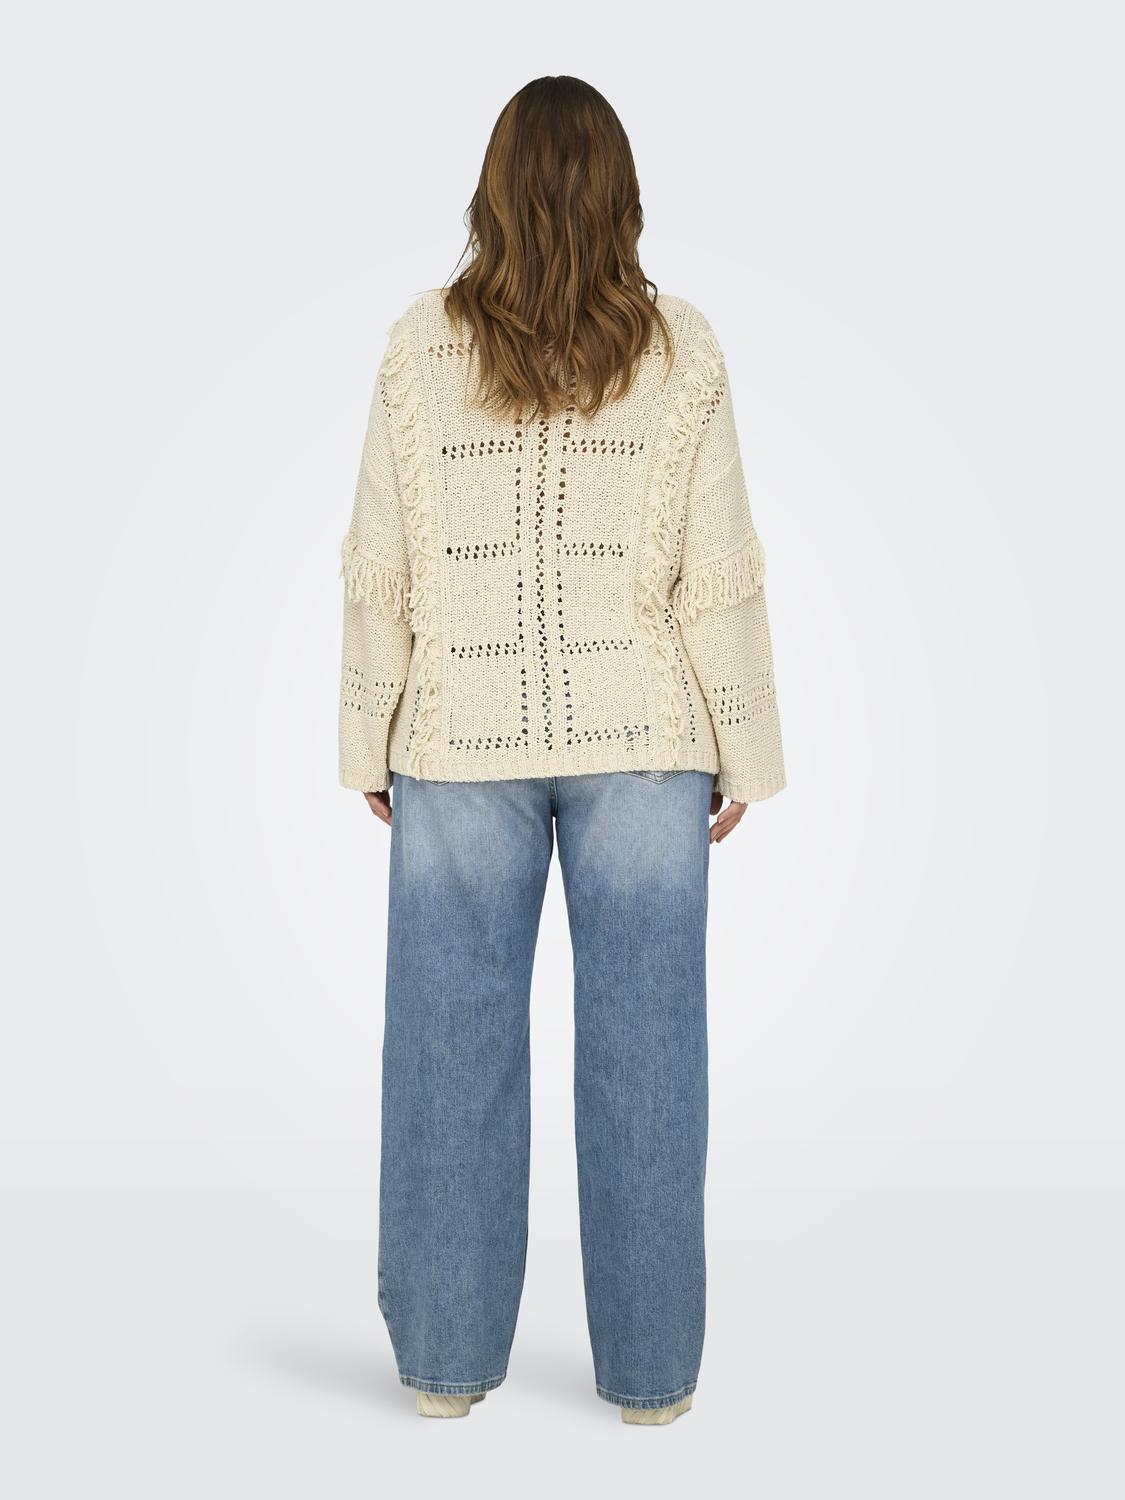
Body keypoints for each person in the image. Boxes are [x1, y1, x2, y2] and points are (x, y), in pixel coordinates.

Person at [337, 75, 785, 1425]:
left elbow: (379, 563)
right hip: (645, 741)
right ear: (621, 196)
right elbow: (718, 571)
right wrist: (745, 753)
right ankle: (649, 1387)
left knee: (446, 1058)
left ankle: (443, 1371)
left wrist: (370, 734)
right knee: (649, 1062)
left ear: (492, 190)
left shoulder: (421, 344)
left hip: (456, 737)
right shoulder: (679, 345)